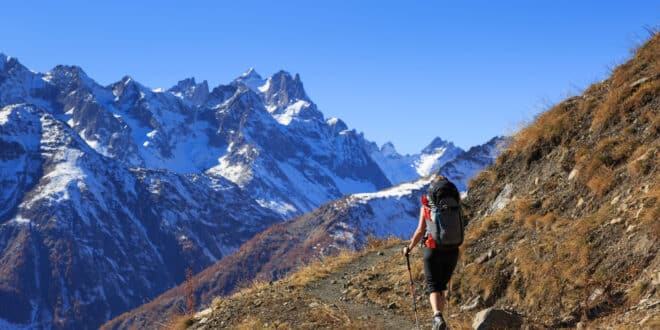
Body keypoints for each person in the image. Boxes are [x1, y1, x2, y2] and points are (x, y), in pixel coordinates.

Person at [403, 175, 462, 330]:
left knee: (433, 286)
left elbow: (420, 230)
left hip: (433, 248)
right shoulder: (456, 204)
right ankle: (439, 323)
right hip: (452, 249)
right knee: (441, 287)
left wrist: (409, 247)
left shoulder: (427, 205)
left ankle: (437, 316)